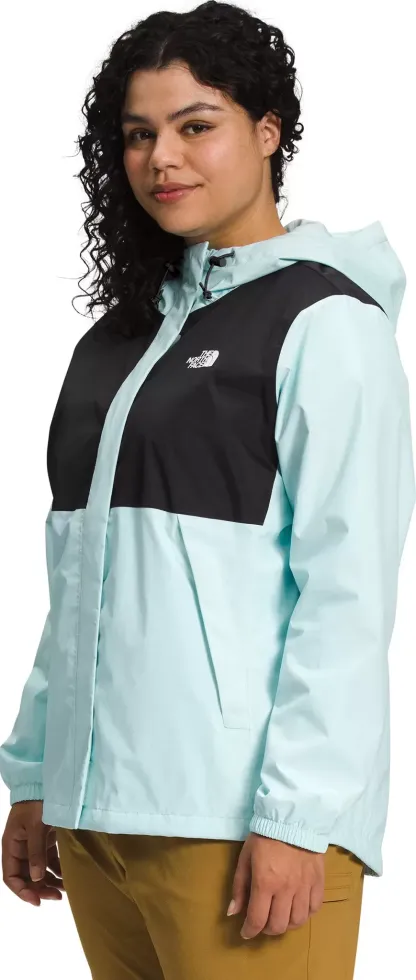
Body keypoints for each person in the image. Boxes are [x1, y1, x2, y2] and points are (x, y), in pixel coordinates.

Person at [1, 2, 415, 978]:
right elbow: (80, 580)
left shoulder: (325, 324)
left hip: (238, 828)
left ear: (267, 131)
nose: (162, 159)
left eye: (196, 125)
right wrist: (35, 770)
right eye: (138, 135)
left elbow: (347, 594)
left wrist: (298, 815)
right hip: (99, 827)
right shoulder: (117, 342)